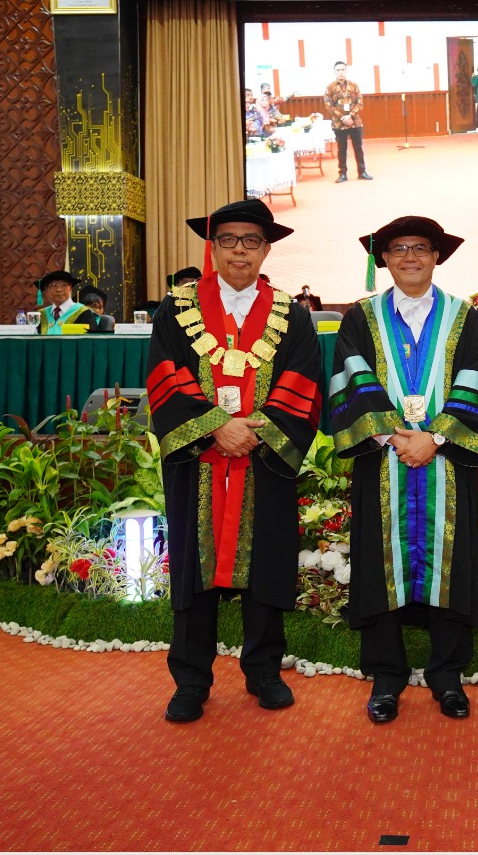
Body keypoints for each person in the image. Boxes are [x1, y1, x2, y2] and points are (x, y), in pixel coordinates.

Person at [148, 199, 324, 721]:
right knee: (192, 567)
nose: (239, 250)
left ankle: (264, 671)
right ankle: (191, 680)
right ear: (213, 247)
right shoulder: (176, 309)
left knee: (266, 561)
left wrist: (252, 431)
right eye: (228, 240)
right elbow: (165, 374)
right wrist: (215, 427)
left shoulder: (292, 314)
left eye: (251, 241)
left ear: (266, 249)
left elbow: (303, 382)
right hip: (197, 462)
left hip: (263, 459)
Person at [328, 216, 478, 724]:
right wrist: (394, 437)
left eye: (420, 248)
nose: (410, 257)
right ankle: (386, 676)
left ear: (436, 256)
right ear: (383, 258)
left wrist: (436, 438)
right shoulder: (361, 317)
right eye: (399, 248)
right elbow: (351, 378)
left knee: (452, 561)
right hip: (383, 461)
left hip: (446, 463)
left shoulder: (463, 317)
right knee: (380, 563)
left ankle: (448, 674)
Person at [324, 61, 372, 183]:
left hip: (355, 122)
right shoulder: (330, 88)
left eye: (342, 69)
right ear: (334, 71)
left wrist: (351, 116)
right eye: (338, 70)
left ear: (346, 71)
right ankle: (342, 174)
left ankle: (362, 172)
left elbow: (360, 103)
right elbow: (329, 106)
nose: (340, 72)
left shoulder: (354, 86)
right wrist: (343, 118)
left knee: (358, 148)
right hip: (339, 124)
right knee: (341, 150)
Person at [36, 270, 99, 335]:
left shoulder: (84, 313)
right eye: (52, 285)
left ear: (70, 288)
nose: (58, 289)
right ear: (46, 290)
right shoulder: (40, 315)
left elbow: (91, 340)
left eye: (63, 284)